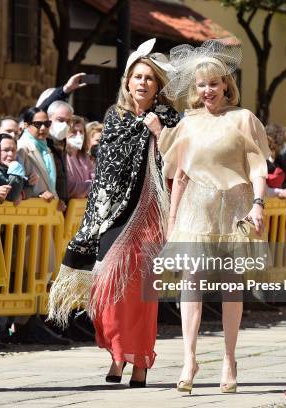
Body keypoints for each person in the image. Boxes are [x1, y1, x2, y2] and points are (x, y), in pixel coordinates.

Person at [48, 38, 180, 387]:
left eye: (149, 78)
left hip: (150, 215)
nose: (142, 83)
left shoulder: (168, 119)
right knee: (106, 290)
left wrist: (161, 135)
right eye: (137, 76)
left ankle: (138, 362)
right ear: (127, 81)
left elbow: (179, 163)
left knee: (140, 292)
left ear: (158, 86)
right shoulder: (115, 117)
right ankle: (116, 353)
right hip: (111, 217)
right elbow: (106, 169)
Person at [156, 38, 269, 394]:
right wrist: (172, 221)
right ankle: (189, 359)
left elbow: (258, 168)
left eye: (214, 83)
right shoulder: (187, 124)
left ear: (226, 85)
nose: (208, 90)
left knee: (231, 287)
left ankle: (228, 359)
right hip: (195, 209)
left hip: (235, 207)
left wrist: (258, 204)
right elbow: (181, 176)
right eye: (201, 84)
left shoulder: (243, 119)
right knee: (191, 284)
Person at [16, 107, 57, 203]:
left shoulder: (46, 149)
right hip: (30, 208)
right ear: (26, 125)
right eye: (38, 124)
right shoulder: (21, 148)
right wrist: (39, 194)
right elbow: (19, 182)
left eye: (47, 124)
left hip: (48, 207)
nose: (43, 128)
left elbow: (49, 182)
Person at [0, 133, 26, 203]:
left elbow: (28, 188)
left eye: (13, 150)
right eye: (6, 150)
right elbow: (12, 195)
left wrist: (23, 192)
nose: (10, 154)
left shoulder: (8, 167)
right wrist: (15, 170)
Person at [65, 115, 94, 198]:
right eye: (73, 132)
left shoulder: (85, 157)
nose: (78, 135)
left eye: (81, 132)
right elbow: (69, 187)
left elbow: (94, 177)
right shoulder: (63, 156)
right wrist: (93, 186)